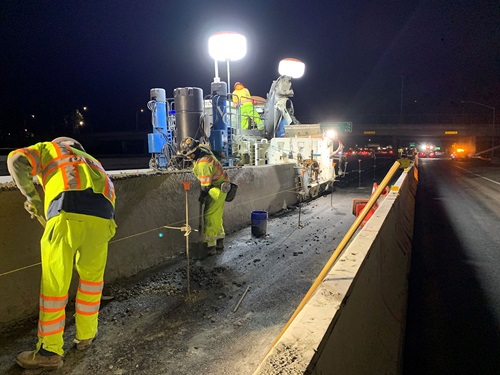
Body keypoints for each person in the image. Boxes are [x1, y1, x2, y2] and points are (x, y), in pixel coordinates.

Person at [7, 137, 117, 370]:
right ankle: (86, 336)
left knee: (55, 285)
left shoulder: (52, 148)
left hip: (66, 213)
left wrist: (33, 198)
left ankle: (49, 351)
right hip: (103, 220)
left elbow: (16, 160)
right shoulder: (94, 162)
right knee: (91, 282)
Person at [179, 137, 230, 255]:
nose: (188, 157)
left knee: (209, 217)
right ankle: (220, 241)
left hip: (216, 190)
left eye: (189, 155)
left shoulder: (204, 163)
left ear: (195, 151)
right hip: (221, 186)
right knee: (216, 216)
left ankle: (210, 246)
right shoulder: (202, 150)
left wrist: (202, 196)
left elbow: (205, 186)